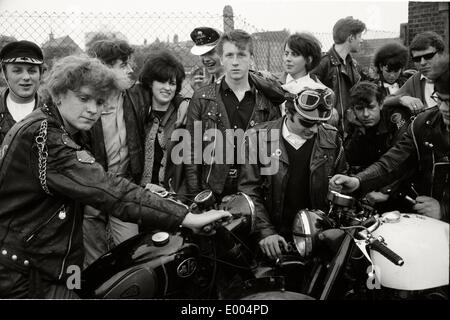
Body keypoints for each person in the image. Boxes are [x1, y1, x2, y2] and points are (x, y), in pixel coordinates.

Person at [0, 55, 230, 299]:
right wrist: (187, 218)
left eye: (100, 102)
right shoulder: (46, 137)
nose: (93, 110)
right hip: (26, 272)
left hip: (48, 263)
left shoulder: (52, 126)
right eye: (84, 98)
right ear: (58, 94)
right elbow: (110, 190)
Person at [330, 54, 449, 222]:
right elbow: (393, 162)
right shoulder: (424, 124)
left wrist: (444, 210)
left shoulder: (398, 121)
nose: (443, 108)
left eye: (449, 101)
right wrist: (358, 181)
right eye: (440, 99)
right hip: (425, 224)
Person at [238, 82, 347, 260]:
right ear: (288, 112)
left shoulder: (332, 138)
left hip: (317, 236)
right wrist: (266, 232)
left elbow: (342, 181)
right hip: (273, 239)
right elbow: (249, 190)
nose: (313, 129)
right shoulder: (256, 138)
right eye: (306, 122)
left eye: (319, 123)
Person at [185, 29, 281, 199]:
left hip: (253, 192)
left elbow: (273, 157)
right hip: (213, 191)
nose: (235, 62)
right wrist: (197, 197)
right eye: (229, 55)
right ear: (222, 58)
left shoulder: (267, 103)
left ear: (251, 58)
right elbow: (192, 152)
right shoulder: (202, 98)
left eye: (241, 55)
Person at [82, 39, 141, 266]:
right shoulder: (86, 101)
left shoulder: (134, 96)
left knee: (133, 254)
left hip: (122, 188)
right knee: (93, 261)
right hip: (91, 192)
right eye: (123, 64)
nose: (130, 70)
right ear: (104, 68)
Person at [344, 81, 412, 210]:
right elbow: (351, 158)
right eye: (359, 108)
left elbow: (402, 158)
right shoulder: (355, 122)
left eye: (371, 107)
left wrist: (386, 191)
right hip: (371, 184)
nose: (365, 114)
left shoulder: (396, 118)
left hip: (401, 187)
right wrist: (359, 130)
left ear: (380, 104)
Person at [139, 49, 189, 193]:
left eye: (172, 83)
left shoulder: (183, 115)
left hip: (171, 194)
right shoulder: (137, 110)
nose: (167, 88)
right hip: (137, 194)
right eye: (162, 81)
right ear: (150, 83)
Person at [311, 16, 366, 136]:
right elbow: (307, 88)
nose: (362, 40)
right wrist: (328, 107)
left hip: (349, 131)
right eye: (360, 36)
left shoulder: (354, 65)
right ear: (351, 37)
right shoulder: (324, 62)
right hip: (327, 132)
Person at [383, 31, 446, 112]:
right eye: (417, 59)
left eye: (428, 56)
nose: (422, 63)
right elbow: (384, 100)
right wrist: (402, 99)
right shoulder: (416, 79)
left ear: (441, 54)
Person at [0, 40, 44, 144]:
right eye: (17, 71)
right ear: (4, 74)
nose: (26, 77)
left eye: (32, 71)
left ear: (40, 74)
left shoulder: (53, 110)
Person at [189, 27, 225, 91]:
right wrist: (199, 91)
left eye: (211, 52)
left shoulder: (235, 82)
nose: (206, 59)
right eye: (202, 54)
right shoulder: (210, 82)